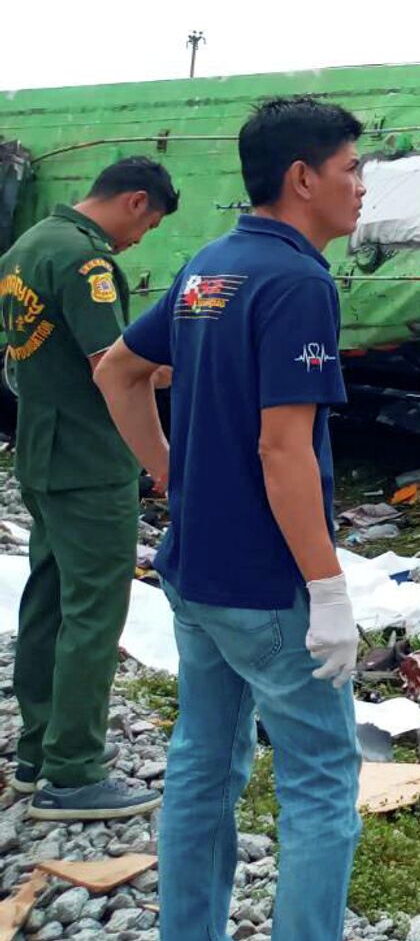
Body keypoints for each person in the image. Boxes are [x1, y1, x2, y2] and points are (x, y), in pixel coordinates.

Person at [95, 97, 367, 940]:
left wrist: (172, 474)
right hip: (263, 583)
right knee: (321, 776)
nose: (362, 188)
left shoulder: (210, 265)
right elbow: (282, 452)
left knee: (204, 766)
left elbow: (117, 372)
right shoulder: (298, 282)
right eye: (352, 169)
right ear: (302, 178)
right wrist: (327, 592)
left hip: (194, 573)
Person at [4, 158, 177, 820]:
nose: (142, 239)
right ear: (135, 201)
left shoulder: (28, 247)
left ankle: (35, 755)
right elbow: (115, 371)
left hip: (43, 453)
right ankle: (73, 773)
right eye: (150, 224)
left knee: (48, 600)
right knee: (94, 613)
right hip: (90, 460)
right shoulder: (85, 263)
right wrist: (167, 371)